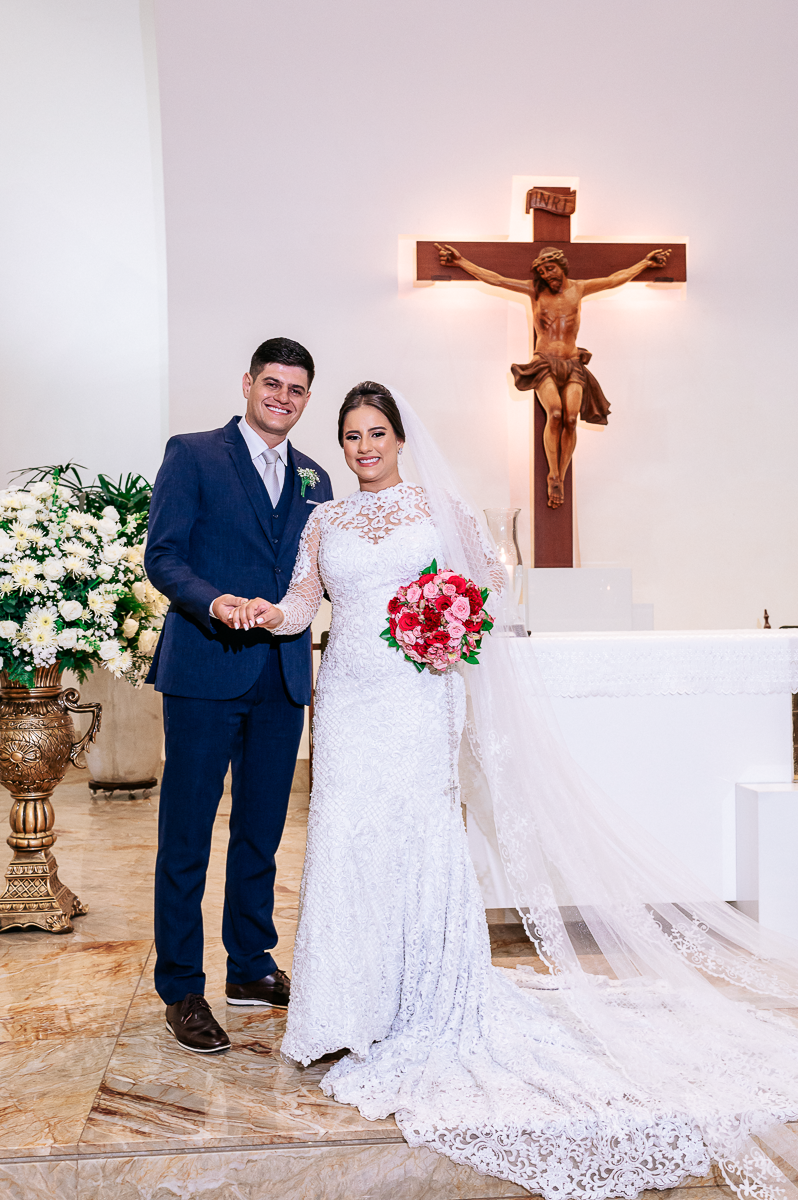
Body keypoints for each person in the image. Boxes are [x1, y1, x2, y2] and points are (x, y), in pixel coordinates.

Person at [223, 384, 798, 1199]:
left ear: (398, 437)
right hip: (350, 701)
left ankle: (423, 1001)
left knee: (419, 835)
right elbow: (299, 607)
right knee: (349, 840)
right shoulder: (325, 521)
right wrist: (258, 611)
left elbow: (488, 582)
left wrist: (446, 617)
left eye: (376, 432)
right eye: (351, 436)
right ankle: (345, 1012)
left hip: (420, 698)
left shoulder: (436, 507)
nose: (363, 448)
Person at [144, 335, 332, 1055]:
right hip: (204, 669)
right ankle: (182, 986)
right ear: (248, 384)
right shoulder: (192, 454)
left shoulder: (317, 477)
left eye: (296, 389)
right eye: (272, 384)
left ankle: (249, 966)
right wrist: (213, 600)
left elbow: (322, 575)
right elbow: (164, 555)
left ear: (306, 399)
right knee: (185, 834)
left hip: (282, 676)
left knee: (262, 833)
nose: (282, 397)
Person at [435, 242, 670, 508]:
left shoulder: (579, 289)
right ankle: (553, 475)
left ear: (562, 266)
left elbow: (614, 279)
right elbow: (497, 280)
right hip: (544, 362)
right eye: (543, 271)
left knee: (571, 418)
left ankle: (563, 470)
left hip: (571, 363)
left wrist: (646, 264)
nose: (547, 275)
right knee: (555, 413)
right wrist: (460, 262)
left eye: (551, 269)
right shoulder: (535, 291)